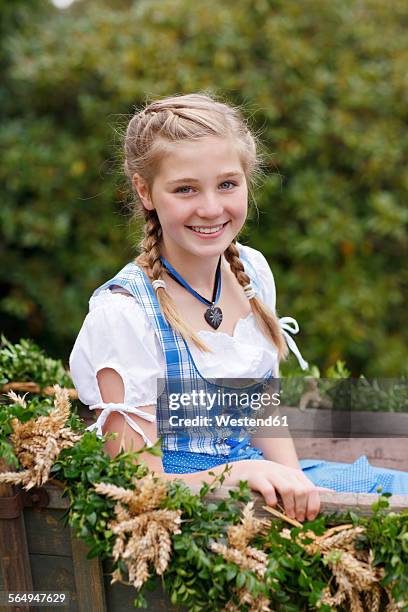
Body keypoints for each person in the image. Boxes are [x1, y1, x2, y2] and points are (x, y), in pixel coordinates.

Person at [69, 93, 408, 523]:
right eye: (185, 189)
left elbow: (263, 406)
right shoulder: (124, 315)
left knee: (395, 490)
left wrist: (295, 485)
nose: (211, 208)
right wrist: (238, 473)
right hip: (194, 513)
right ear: (145, 191)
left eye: (227, 184)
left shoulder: (250, 271)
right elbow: (135, 478)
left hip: (262, 482)